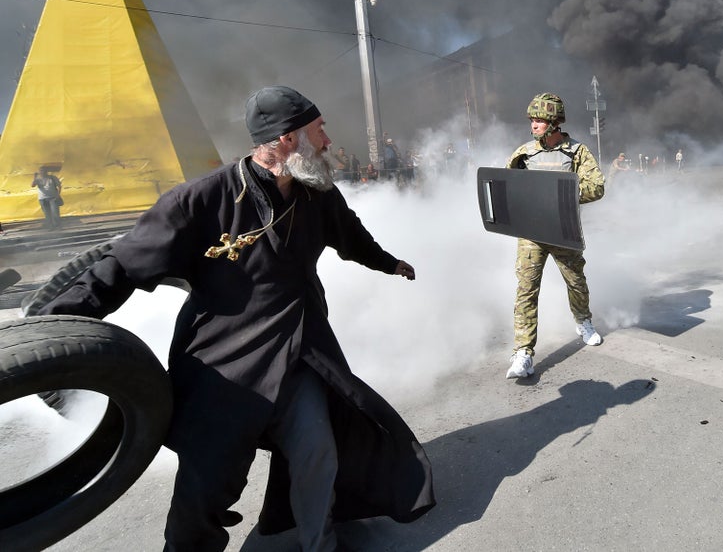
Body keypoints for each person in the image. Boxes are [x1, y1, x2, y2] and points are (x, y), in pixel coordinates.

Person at [36, 86, 434, 550]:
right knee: (207, 483)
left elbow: (352, 237)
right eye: (319, 130)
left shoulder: (317, 195)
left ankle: (318, 544)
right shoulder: (199, 200)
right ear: (287, 139)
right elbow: (121, 268)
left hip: (300, 351)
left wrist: (388, 263)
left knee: (318, 452)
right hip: (225, 364)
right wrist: (49, 331)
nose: (327, 140)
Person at [505, 92, 605, 379]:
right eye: (532, 120)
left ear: (553, 123)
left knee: (576, 282)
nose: (533, 125)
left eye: (538, 120)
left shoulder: (577, 152)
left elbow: (596, 187)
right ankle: (523, 351)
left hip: (563, 230)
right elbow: (506, 187)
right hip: (531, 233)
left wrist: (561, 195)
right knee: (526, 288)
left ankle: (584, 321)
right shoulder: (524, 153)